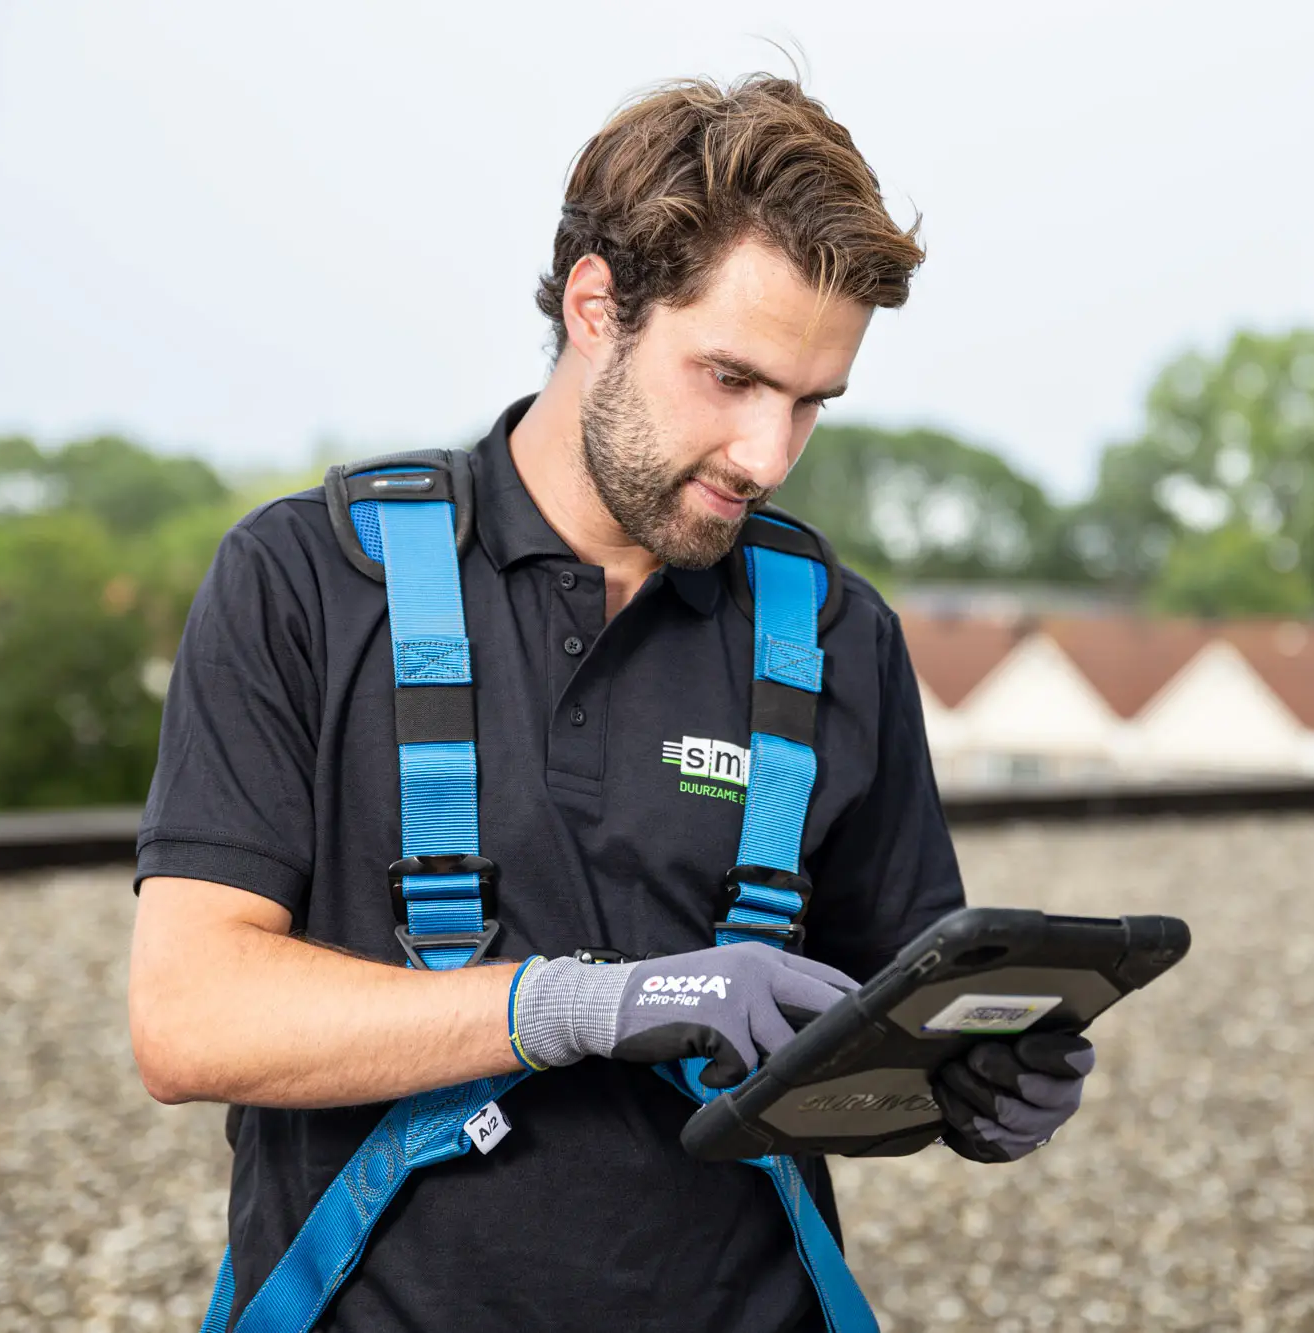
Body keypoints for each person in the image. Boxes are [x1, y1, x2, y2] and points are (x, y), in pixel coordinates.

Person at [127, 74, 1094, 1332]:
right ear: (597, 305)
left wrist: (965, 1087)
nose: (767, 454)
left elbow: (866, 1034)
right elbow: (189, 1019)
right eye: (731, 379)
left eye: (810, 402)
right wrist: (588, 1005)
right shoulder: (308, 583)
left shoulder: (837, 637)